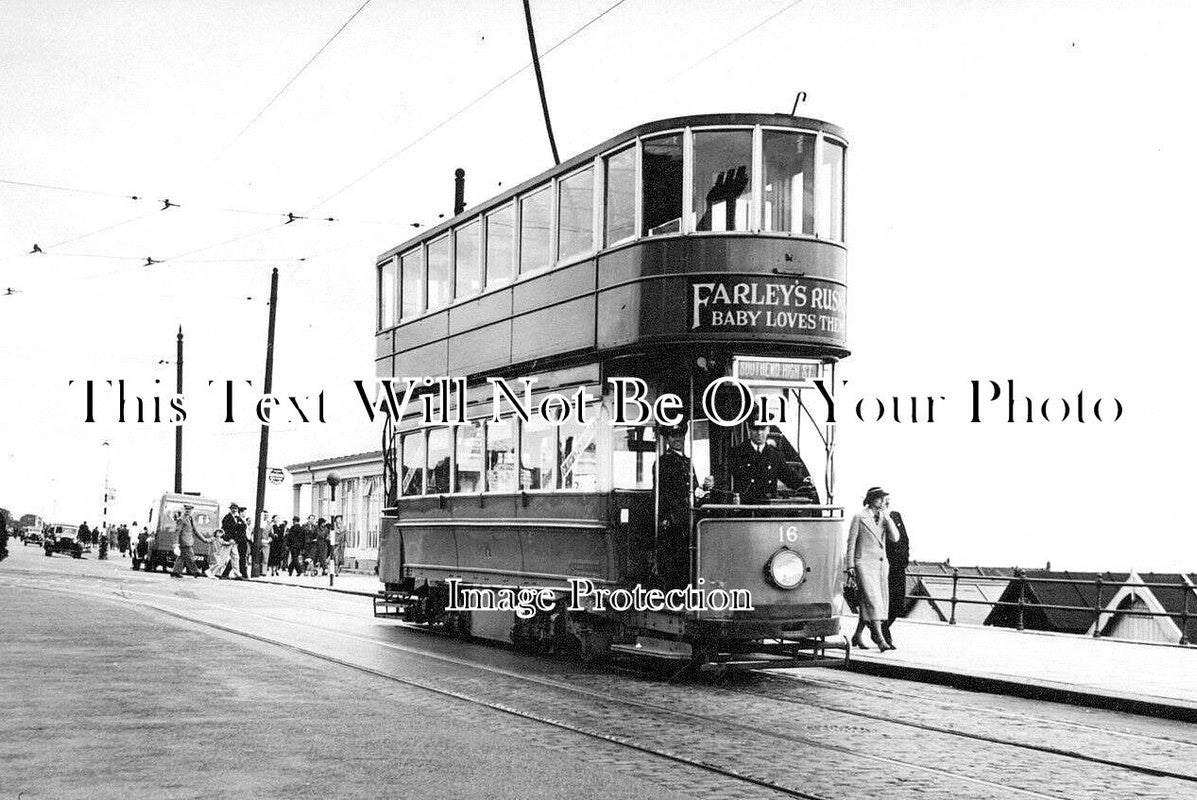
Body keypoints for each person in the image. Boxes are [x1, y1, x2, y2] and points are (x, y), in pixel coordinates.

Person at [845, 487, 900, 651]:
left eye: (883, 499)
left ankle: (857, 636)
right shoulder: (859, 517)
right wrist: (850, 565)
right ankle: (880, 639)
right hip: (863, 564)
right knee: (874, 601)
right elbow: (851, 542)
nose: (882, 501)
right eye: (879, 498)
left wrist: (888, 517)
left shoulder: (884, 518)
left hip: (880, 565)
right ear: (870, 499)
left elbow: (895, 538)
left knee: (869, 602)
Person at [655, 426, 710, 586]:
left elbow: (695, 489)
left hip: (688, 515)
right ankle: (675, 591)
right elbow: (660, 493)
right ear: (667, 439)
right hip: (674, 518)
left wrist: (706, 488)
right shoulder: (662, 463)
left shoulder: (687, 462)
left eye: (680, 435)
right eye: (673, 436)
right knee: (676, 556)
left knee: (688, 554)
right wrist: (664, 517)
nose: (677, 439)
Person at [728, 424, 818, 504]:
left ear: (768, 430)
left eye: (763, 429)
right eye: (755, 429)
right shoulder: (737, 453)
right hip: (745, 508)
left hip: (767, 509)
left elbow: (788, 477)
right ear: (749, 430)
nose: (759, 433)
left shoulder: (775, 455)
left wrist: (805, 483)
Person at [883, 510, 910, 646]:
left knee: (898, 604)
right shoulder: (879, 518)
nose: (886, 502)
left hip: (899, 566)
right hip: (887, 566)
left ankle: (863, 632)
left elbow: (904, 539)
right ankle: (883, 631)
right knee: (886, 602)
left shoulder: (896, 515)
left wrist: (905, 557)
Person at [170, 504, 211, 578]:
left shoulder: (191, 518)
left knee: (182, 557)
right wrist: (176, 545)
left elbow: (196, 531)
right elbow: (177, 532)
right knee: (191, 557)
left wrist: (204, 540)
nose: (188, 511)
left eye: (190, 510)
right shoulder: (181, 519)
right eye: (187, 510)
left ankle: (175, 572)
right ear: (184, 510)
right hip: (184, 542)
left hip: (188, 541)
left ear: (192, 511)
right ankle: (196, 572)